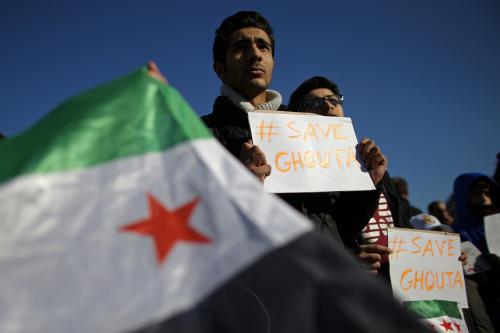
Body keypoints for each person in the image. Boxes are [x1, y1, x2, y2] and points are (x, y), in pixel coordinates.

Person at [202, 13, 383, 252]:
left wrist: (367, 184)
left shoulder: (312, 129)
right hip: (253, 284)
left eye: (263, 47)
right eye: (241, 47)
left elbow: (339, 224)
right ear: (220, 69)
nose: (255, 54)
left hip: (322, 281)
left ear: (273, 64)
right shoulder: (198, 136)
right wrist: (242, 190)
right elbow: (193, 233)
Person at [288, 76, 414, 273]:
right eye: (315, 102)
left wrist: (434, 257)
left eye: (334, 100)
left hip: (399, 279)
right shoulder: (293, 172)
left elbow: (402, 223)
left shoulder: (374, 166)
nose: (329, 106)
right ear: (297, 114)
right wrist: (347, 256)